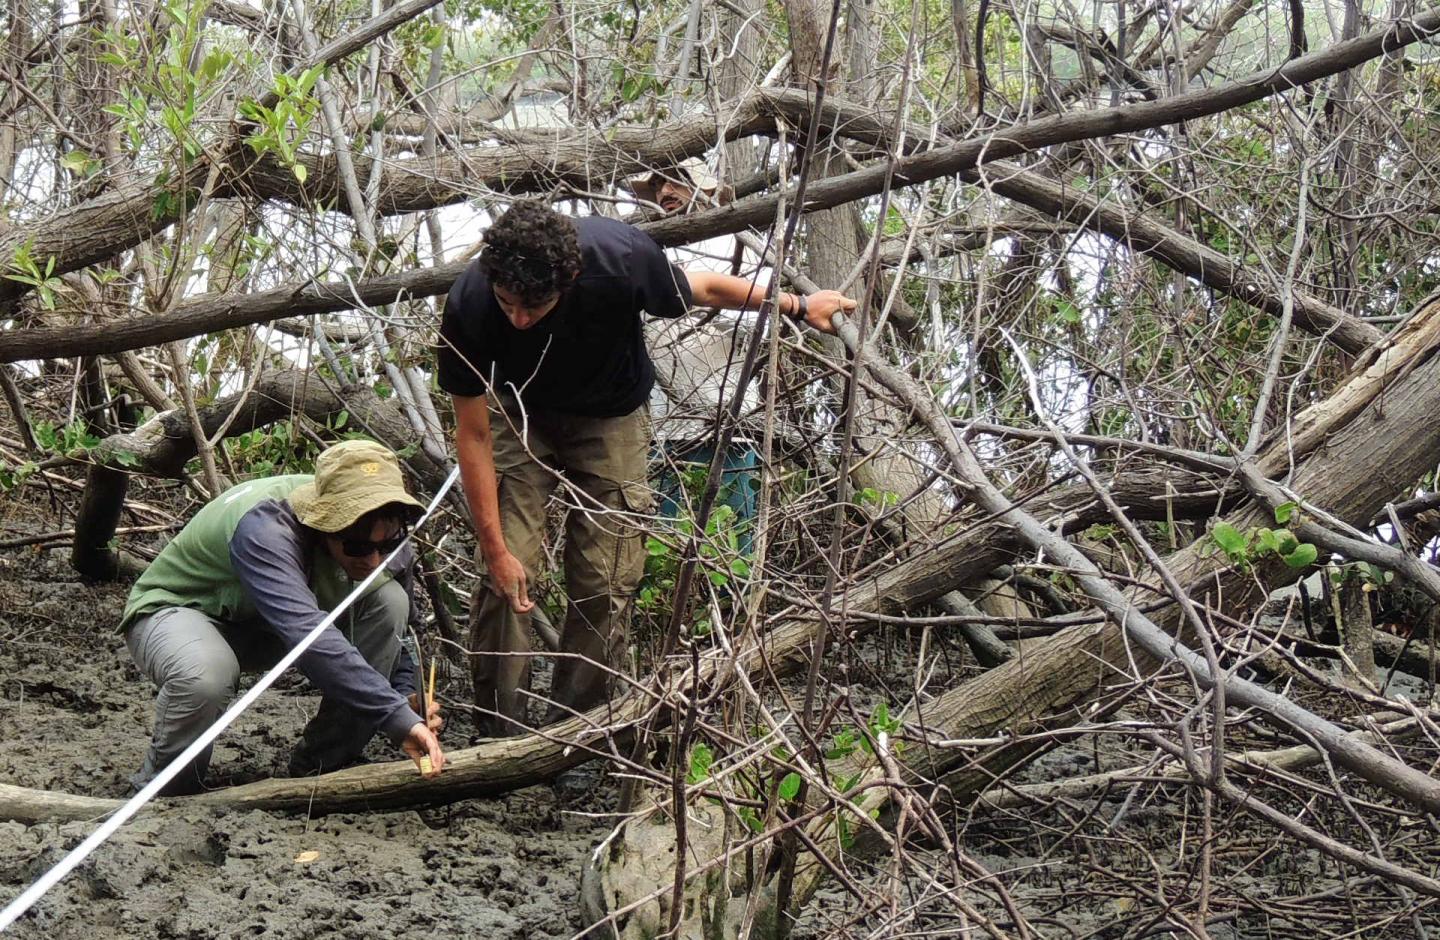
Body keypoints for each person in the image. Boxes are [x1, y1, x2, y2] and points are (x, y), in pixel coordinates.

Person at [438, 198, 856, 736]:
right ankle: (497, 731)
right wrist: (494, 549)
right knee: (508, 572)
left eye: (533, 307)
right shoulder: (471, 302)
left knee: (605, 576)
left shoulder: (620, 259)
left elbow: (704, 287)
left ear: (568, 281)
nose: (518, 319)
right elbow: (471, 435)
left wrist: (798, 305)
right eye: (508, 304)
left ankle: (576, 733)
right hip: (517, 411)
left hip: (611, 414)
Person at [120, 439, 446, 795]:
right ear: (325, 523)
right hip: (182, 615)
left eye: (384, 547)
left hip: (271, 629)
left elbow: (403, 637)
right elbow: (308, 637)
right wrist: (396, 718)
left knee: (390, 600)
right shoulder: (265, 528)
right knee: (206, 676)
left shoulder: (389, 535)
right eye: (356, 547)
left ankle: (321, 772)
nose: (373, 560)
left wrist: (406, 696)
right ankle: (167, 790)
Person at [630, 159, 767, 550]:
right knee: (666, 547)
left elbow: (768, 325)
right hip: (665, 430)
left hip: (728, 424)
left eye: (675, 181)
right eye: (657, 186)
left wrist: (702, 296)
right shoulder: (645, 251)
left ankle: (734, 612)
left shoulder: (738, 244)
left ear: (704, 188)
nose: (664, 193)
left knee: (732, 545)